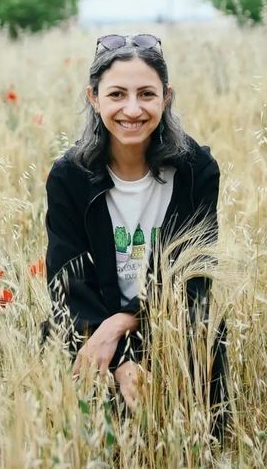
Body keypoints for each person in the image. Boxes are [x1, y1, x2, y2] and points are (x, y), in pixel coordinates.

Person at [44, 33, 227, 439]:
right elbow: (67, 280)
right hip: (90, 319)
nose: (132, 109)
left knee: (204, 333)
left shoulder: (197, 170)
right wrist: (119, 354)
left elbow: (193, 279)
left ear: (166, 97)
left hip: (173, 320)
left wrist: (125, 323)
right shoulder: (69, 177)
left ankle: (202, 445)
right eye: (117, 95)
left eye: (146, 94)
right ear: (94, 98)